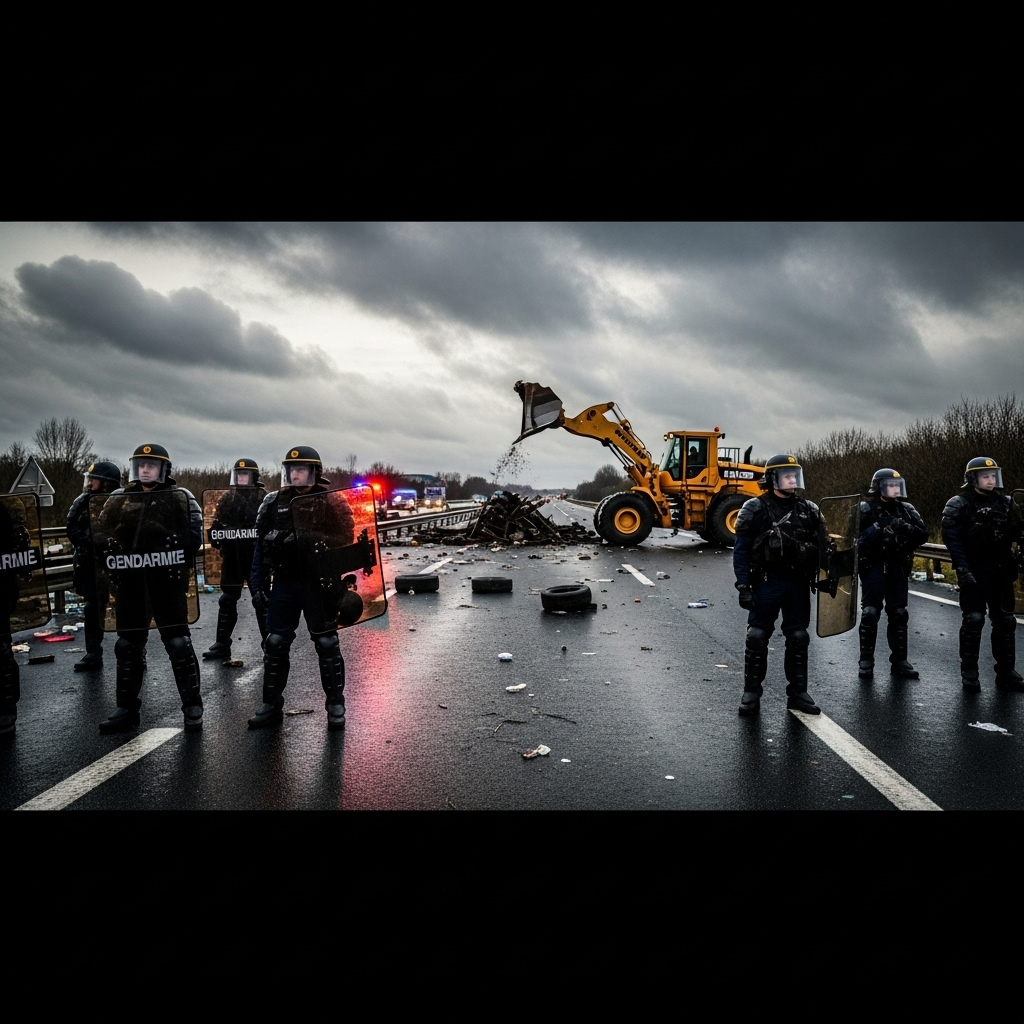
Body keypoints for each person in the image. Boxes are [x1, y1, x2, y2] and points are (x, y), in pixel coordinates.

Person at [94, 444, 205, 732]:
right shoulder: (119, 498)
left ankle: (192, 705)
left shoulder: (181, 498)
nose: (145, 469)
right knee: (127, 645)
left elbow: (193, 538)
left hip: (167, 581)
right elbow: (101, 532)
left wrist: (164, 536)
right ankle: (126, 708)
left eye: (151, 465)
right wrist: (111, 542)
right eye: (141, 464)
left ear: (163, 469)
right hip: (130, 582)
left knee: (178, 643)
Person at [247, 446, 349, 730]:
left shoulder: (331, 501)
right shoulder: (272, 501)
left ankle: (335, 703)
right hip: (285, 582)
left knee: (326, 643)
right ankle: (271, 704)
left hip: (319, 582)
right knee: (275, 643)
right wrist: (256, 584)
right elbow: (260, 544)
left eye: (301, 469)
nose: (295, 474)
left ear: (315, 472)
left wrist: (307, 539)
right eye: (292, 469)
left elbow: (346, 538)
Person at [733, 454, 827, 716]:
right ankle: (751, 693)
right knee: (757, 636)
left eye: (794, 475)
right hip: (767, 582)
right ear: (773, 478)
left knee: (798, 637)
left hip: (797, 583)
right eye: (787, 475)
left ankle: (798, 694)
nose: (792, 480)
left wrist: (828, 574)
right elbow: (741, 551)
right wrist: (743, 586)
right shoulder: (755, 508)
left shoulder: (809, 509)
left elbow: (824, 546)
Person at [941, 457, 1023, 691]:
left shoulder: (1007, 504)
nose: (991, 479)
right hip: (974, 570)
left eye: (993, 475)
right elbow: (953, 540)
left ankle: (1006, 671)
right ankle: (969, 672)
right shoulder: (959, 504)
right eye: (985, 476)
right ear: (972, 478)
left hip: (1001, 571)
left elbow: (1019, 531)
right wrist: (963, 570)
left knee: (1006, 621)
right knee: (974, 620)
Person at [857, 469, 929, 679]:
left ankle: (900, 660)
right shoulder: (865, 509)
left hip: (897, 567)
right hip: (873, 567)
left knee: (899, 613)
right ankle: (866, 660)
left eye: (898, 485)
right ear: (879, 486)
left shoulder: (906, 510)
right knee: (870, 613)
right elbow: (855, 540)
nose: (896, 489)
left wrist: (903, 526)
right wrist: (878, 527)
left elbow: (923, 535)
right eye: (891, 485)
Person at [201, 458, 268, 660]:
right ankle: (222, 644)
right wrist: (216, 533)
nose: (240, 479)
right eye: (238, 475)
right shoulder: (226, 499)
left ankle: (270, 643)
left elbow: (267, 528)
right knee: (227, 600)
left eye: (244, 475)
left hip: (255, 557)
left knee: (261, 599)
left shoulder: (262, 498)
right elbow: (217, 526)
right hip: (232, 556)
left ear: (254, 477)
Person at [66, 461, 122, 672]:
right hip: (92, 563)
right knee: (92, 608)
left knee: (125, 607)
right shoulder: (82, 502)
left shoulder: (122, 500)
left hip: (118, 563)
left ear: (106, 483)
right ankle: (93, 653)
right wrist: (90, 542)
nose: (89, 483)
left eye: (94, 479)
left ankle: (134, 652)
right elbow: (72, 528)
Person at [1, 498, 33, 737]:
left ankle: (5, 712)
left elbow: (16, 548)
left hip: (0, 589)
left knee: (1, 651)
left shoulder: (3, 511)